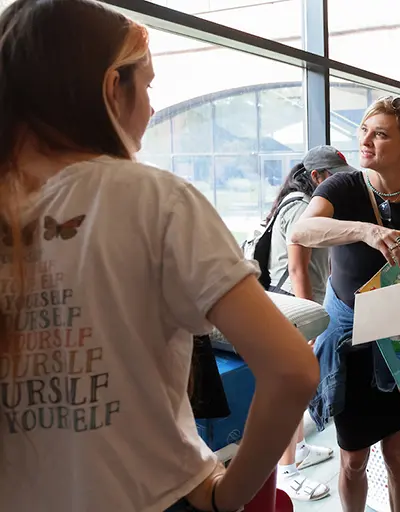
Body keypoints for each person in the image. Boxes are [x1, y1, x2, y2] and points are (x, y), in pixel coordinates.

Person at [0, 2, 319, 511]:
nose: (150, 108)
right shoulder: (155, 201)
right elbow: (292, 369)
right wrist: (227, 496)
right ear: (111, 88)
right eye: (146, 86)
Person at [289, 96, 400, 512]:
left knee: (398, 455)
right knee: (353, 459)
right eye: (364, 130)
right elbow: (304, 231)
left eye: (380, 134)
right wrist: (363, 230)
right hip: (351, 344)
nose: (366, 141)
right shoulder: (342, 187)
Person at [265, 145, 355, 502]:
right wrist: (311, 322)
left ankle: (298, 452)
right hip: (293, 309)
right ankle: (285, 473)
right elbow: (299, 268)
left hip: (304, 304)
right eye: (333, 176)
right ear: (317, 177)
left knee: (300, 388)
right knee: (290, 389)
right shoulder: (303, 209)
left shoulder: (309, 204)